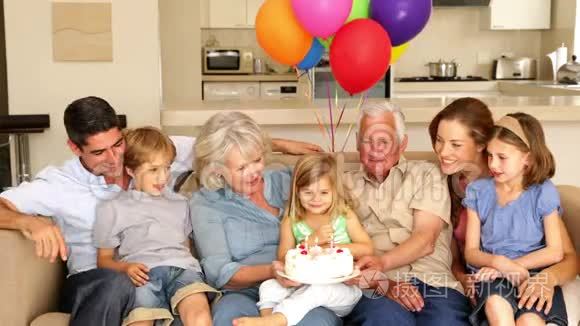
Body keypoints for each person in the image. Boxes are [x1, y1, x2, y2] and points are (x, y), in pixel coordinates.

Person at [0, 96, 322, 325]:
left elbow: (216, 145)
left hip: (163, 270)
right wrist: (28, 222)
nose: (114, 160)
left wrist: (278, 145)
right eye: (99, 153)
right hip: (96, 280)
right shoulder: (58, 183)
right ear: (75, 148)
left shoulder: (148, 154)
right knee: (121, 285)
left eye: (117, 145)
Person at [189, 112, 342, 326]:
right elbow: (219, 271)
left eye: (257, 160)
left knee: (317, 322)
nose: (254, 172)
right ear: (217, 170)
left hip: (302, 289)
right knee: (230, 320)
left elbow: (335, 195)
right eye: (242, 167)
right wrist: (273, 270)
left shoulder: (288, 180)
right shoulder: (206, 203)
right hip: (244, 293)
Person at [430, 98, 578, 317]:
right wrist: (462, 277)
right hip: (485, 280)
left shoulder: (523, 184)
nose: (442, 152)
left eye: (455, 144)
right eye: (439, 140)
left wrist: (547, 279)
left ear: (481, 143)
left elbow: (567, 256)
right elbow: (454, 254)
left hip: (525, 275)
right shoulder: (443, 184)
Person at [342, 101, 472, 326]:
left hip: (434, 283)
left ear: (402, 144)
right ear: (357, 144)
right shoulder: (342, 186)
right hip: (378, 287)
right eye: (367, 140)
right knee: (383, 320)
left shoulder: (427, 174)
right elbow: (339, 254)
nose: (375, 149)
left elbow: (425, 240)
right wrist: (383, 282)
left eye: (384, 141)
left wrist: (381, 263)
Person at [93, 127, 219, 326]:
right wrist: (125, 267)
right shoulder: (112, 208)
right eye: (153, 170)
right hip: (143, 275)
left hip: (182, 269)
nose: (163, 178)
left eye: (167, 167)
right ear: (130, 170)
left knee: (199, 315)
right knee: (141, 321)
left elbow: (186, 249)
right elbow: (104, 260)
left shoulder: (180, 203)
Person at [234, 154, 373, 326]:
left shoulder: (344, 215)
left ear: (334, 191)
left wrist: (331, 249)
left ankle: (277, 320)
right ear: (297, 191)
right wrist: (313, 240)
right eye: (308, 192)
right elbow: (284, 257)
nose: (316, 199)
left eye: (323, 193)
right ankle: (267, 317)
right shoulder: (292, 221)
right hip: (302, 283)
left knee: (317, 291)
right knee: (268, 286)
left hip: (342, 289)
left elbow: (367, 248)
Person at [464, 113, 568, 326]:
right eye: (490, 155)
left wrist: (512, 265)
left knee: (530, 320)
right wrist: (499, 264)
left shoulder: (544, 192)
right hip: (494, 276)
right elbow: (471, 252)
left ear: (527, 158)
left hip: (535, 274)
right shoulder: (477, 191)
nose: (493, 164)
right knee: (495, 305)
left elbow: (555, 251)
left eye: (502, 157)